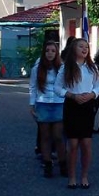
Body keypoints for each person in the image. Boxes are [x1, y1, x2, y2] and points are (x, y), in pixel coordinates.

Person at [54, 38, 99, 189]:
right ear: (74, 49)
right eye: (81, 46)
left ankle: (84, 175)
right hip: (72, 105)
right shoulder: (66, 67)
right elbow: (57, 88)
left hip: (87, 106)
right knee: (72, 144)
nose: (84, 49)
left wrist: (92, 94)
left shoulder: (92, 68)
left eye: (86, 47)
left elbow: (98, 86)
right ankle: (72, 176)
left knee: (86, 144)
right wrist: (71, 95)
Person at [30, 41, 67, 178]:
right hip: (43, 103)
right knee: (45, 136)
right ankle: (47, 163)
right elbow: (33, 87)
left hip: (58, 103)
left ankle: (63, 162)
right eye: (47, 51)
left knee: (58, 135)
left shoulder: (62, 68)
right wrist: (31, 104)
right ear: (44, 53)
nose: (50, 53)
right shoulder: (37, 68)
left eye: (53, 51)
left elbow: (67, 85)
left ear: (56, 53)